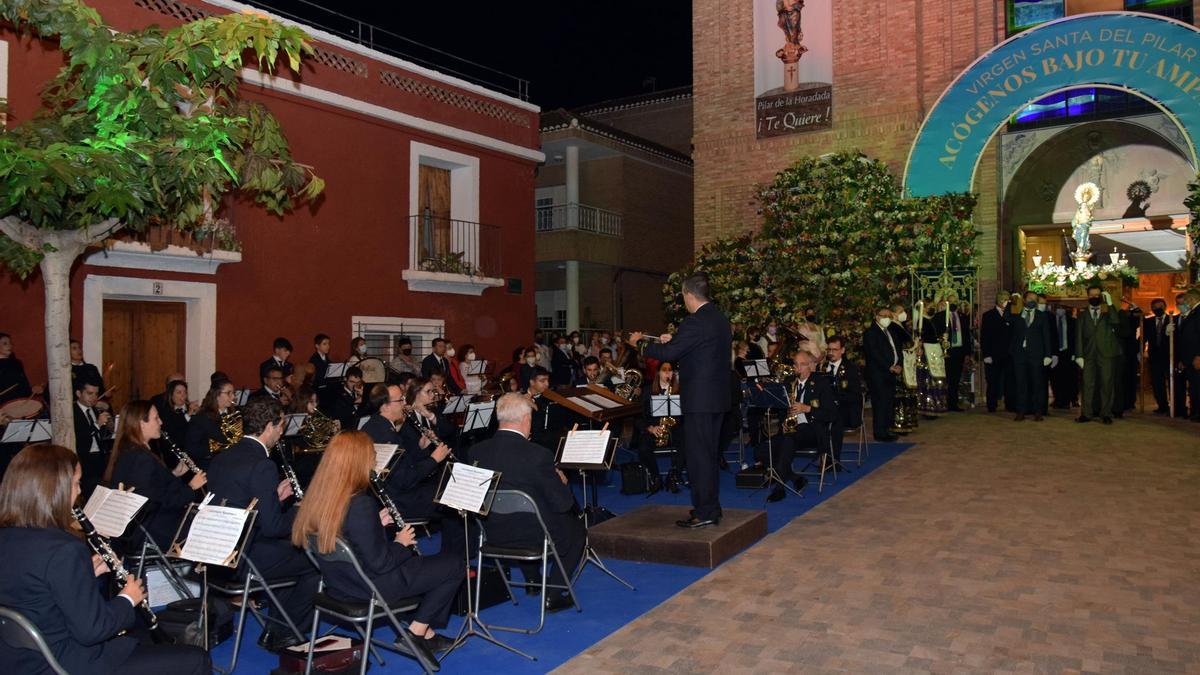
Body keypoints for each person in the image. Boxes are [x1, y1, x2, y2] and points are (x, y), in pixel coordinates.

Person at [0, 444, 212, 675]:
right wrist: (127, 598)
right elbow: (93, 630)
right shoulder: (65, 550)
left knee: (145, 636)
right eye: (75, 484)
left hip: (20, 659)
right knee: (196, 659)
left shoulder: (8, 538)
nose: (79, 492)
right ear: (55, 490)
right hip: (67, 662)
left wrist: (83, 576)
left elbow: (35, 589)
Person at [292, 431, 462, 663]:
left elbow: (343, 533)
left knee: (425, 566)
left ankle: (428, 635)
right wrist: (400, 543)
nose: (375, 461)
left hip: (339, 584)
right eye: (372, 456)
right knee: (454, 565)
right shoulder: (360, 503)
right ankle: (416, 632)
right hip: (373, 586)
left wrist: (375, 525)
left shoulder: (319, 497)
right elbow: (380, 563)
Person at [205, 396, 318, 652]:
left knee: (289, 555)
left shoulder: (223, 456)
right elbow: (273, 527)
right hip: (247, 559)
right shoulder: (262, 464)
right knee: (316, 561)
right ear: (269, 426)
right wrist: (302, 511)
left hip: (221, 553)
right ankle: (287, 632)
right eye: (280, 426)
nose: (282, 432)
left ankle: (276, 628)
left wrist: (273, 499)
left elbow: (240, 504)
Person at [629, 273, 731, 529]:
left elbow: (668, 354)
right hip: (717, 399)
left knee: (699, 458)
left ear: (688, 294)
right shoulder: (719, 319)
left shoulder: (695, 322)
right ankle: (711, 507)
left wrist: (639, 344)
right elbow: (695, 350)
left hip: (700, 400)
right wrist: (672, 340)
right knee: (707, 455)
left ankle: (705, 511)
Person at [471, 394, 585, 612]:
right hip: (535, 536)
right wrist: (561, 482)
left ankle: (532, 581)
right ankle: (553, 593)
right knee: (577, 530)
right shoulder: (538, 455)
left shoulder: (477, 451)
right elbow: (562, 503)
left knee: (520, 513)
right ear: (525, 419)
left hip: (492, 533)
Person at [105, 401, 206, 548]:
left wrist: (174, 473)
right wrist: (191, 487)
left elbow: (151, 485)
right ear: (142, 424)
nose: (161, 422)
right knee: (205, 530)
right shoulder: (140, 457)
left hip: (148, 527)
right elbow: (155, 501)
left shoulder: (130, 449)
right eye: (156, 418)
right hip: (154, 530)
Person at [761, 350, 833, 502]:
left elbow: (831, 414)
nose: (798, 368)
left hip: (812, 430)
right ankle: (795, 478)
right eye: (796, 364)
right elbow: (780, 410)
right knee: (761, 449)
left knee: (788, 440)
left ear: (811, 366)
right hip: (791, 431)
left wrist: (807, 408)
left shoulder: (822, 383)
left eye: (802, 365)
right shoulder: (788, 383)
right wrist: (783, 418)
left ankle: (780, 489)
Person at [631, 362, 684, 495]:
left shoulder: (679, 390)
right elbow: (637, 417)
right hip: (653, 428)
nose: (668, 373)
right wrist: (650, 428)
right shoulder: (648, 390)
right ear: (658, 373)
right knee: (643, 447)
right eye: (664, 370)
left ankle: (674, 474)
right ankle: (655, 476)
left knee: (687, 442)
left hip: (674, 428)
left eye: (670, 370)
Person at [1075, 285, 1122, 425]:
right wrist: (1079, 355)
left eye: (1097, 295)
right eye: (1092, 295)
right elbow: (1078, 336)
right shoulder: (1082, 315)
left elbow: (1116, 321)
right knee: (1087, 384)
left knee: (1106, 384)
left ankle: (1106, 414)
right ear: (1088, 296)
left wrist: (1109, 303)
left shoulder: (1108, 313)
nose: (1094, 298)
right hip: (1088, 354)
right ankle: (1086, 413)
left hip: (1106, 353)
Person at [1005, 290, 1053, 422]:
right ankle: (1021, 411)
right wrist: (1010, 302)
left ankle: (1038, 411)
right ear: (1024, 300)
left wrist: (1048, 355)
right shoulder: (1017, 314)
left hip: (1036, 355)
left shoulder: (1041, 316)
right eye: (1030, 298)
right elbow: (1006, 317)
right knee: (1021, 384)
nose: (1032, 301)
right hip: (1019, 355)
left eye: (1035, 299)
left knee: (1037, 383)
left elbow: (1046, 336)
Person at [862, 307, 901, 442]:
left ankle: (887, 429)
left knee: (889, 402)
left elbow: (897, 349)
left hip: (891, 372)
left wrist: (899, 364)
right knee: (880, 403)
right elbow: (874, 354)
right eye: (883, 315)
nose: (886, 318)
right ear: (876, 316)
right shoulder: (870, 333)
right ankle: (880, 432)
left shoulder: (890, 331)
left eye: (889, 316)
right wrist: (889, 367)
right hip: (878, 373)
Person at [73, 375, 113, 497]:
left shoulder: (95, 410)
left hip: (99, 458)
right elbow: (80, 438)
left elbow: (101, 436)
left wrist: (110, 428)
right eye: (90, 394)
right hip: (84, 460)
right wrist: (97, 424)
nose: (94, 398)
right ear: (79, 393)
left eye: (96, 394)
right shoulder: (73, 412)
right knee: (88, 495)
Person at [824, 335, 862, 460]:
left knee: (835, 419)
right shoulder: (822, 368)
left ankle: (832, 460)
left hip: (846, 410)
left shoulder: (851, 369)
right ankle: (821, 455)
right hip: (826, 409)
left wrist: (836, 399)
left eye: (834, 350)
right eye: (829, 350)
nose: (831, 353)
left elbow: (855, 395)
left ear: (842, 350)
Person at [184, 378, 237, 467]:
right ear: (217, 395)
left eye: (233, 393)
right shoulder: (201, 419)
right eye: (228, 393)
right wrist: (215, 448)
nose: (233, 397)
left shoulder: (235, 415)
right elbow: (191, 449)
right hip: (211, 466)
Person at [932, 297, 972, 412]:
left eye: (956, 301)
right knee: (944, 378)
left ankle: (953, 403)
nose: (954, 304)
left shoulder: (962, 317)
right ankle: (941, 403)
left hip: (958, 351)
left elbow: (966, 335)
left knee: (955, 378)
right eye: (951, 301)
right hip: (945, 352)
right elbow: (934, 333)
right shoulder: (939, 317)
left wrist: (967, 352)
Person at [979, 290, 1012, 413]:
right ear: (998, 300)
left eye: (1008, 299)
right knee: (993, 381)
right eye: (1005, 299)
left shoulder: (1011, 314)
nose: (1007, 301)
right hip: (993, 354)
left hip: (1009, 354)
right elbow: (985, 336)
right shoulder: (988, 315)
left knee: (1009, 381)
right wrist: (986, 354)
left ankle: (1010, 404)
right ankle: (991, 405)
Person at [1174, 289, 1200, 421]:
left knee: (1197, 386)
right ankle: (1195, 411)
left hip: (1195, 357)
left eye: (1187, 299)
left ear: (1192, 298)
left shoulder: (1198, 312)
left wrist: (1198, 356)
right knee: (1194, 386)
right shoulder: (1194, 312)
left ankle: (1197, 412)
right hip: (1189, 357)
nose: (1185, 302)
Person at [526, 367, 566, 453]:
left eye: (548, 380)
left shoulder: (550, 400)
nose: (547, 384)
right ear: (532, 382)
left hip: (545, 443)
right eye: (542, 381)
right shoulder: (519, 398)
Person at [1145, 298, 1172, 415]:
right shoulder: (1148, 321)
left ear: (1165, 307)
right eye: (1154, 308)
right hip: (1154, 357)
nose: (1157, 309)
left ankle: (1176, 406)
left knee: (1172, 382)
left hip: (1169, 356)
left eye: (1159, 307)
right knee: (1157, 383)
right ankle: (1162, 406)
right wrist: (1139, 351)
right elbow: (1143, 338)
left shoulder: (1172, 319)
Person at [0, 332, 40, 404]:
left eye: (10, 343)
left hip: (22, 402)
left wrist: (34, 389)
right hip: (4, 406)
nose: (10, 345)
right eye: (5, 343)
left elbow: (24, 386)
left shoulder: (17, 363)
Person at [323, 366, 364, 432]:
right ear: (345, 379)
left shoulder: (360, 392)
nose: (354, 385)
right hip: (344, 431)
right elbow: (341, 416)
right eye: (352, 382)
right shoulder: (337, 393)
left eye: (357, 382)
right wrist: (355, 404)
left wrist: (364, 397)